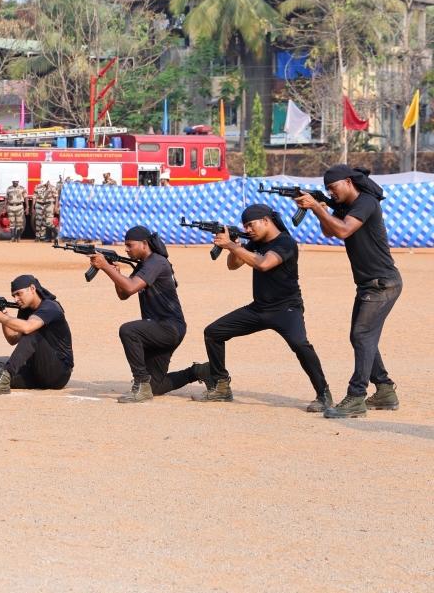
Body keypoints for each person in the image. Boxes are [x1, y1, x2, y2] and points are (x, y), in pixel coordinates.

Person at [193, 204, 332, 411]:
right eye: (244, 226)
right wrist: (235, 244)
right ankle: (221, 386)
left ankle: (323, 395)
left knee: (300, 344)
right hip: (259, 309)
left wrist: (232, 246)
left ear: (266, 221)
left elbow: (264, 264)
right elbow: (234, 265)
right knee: (213, 332)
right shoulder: (254, 242)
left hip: (286, 309)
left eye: (250, 225)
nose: (248, 229)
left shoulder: (285, 242)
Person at [294, 165, 403, 419]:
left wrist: (318, 206)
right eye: (327, 190)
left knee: (362, 334)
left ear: (348, 182)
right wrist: (319, 208)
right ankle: (385, 390)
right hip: (369, 284)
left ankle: (356, 396)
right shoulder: (346, 207)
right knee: (361, 337)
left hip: (382, 284)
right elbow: (330, 231)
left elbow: (343, 230)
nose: (330, 193)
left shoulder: (366, 202)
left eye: (332, 188)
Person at [90, 226, 208, 403]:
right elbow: (124, 294)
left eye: (130, 245)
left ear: (144, 244)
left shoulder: (156, 262)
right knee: (156, 387)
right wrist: (115, 273)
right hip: (159, 327)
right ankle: (198, 371)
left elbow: (130, 286)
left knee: (129, 331)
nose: (126, 249)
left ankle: (141, 383)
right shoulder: (144, 265)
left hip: (169, 327)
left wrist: (106, 266)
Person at [0, 275, 74, 396]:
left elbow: (27, 328)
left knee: (31, 331)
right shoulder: (25, 309)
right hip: (36, 371)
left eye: (19, 294)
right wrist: (2, 314)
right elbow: (13, 339)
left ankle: (4, 379)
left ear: (32, 289)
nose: (16, 299)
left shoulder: (50, 307)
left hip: (58, 373)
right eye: (14, 296)